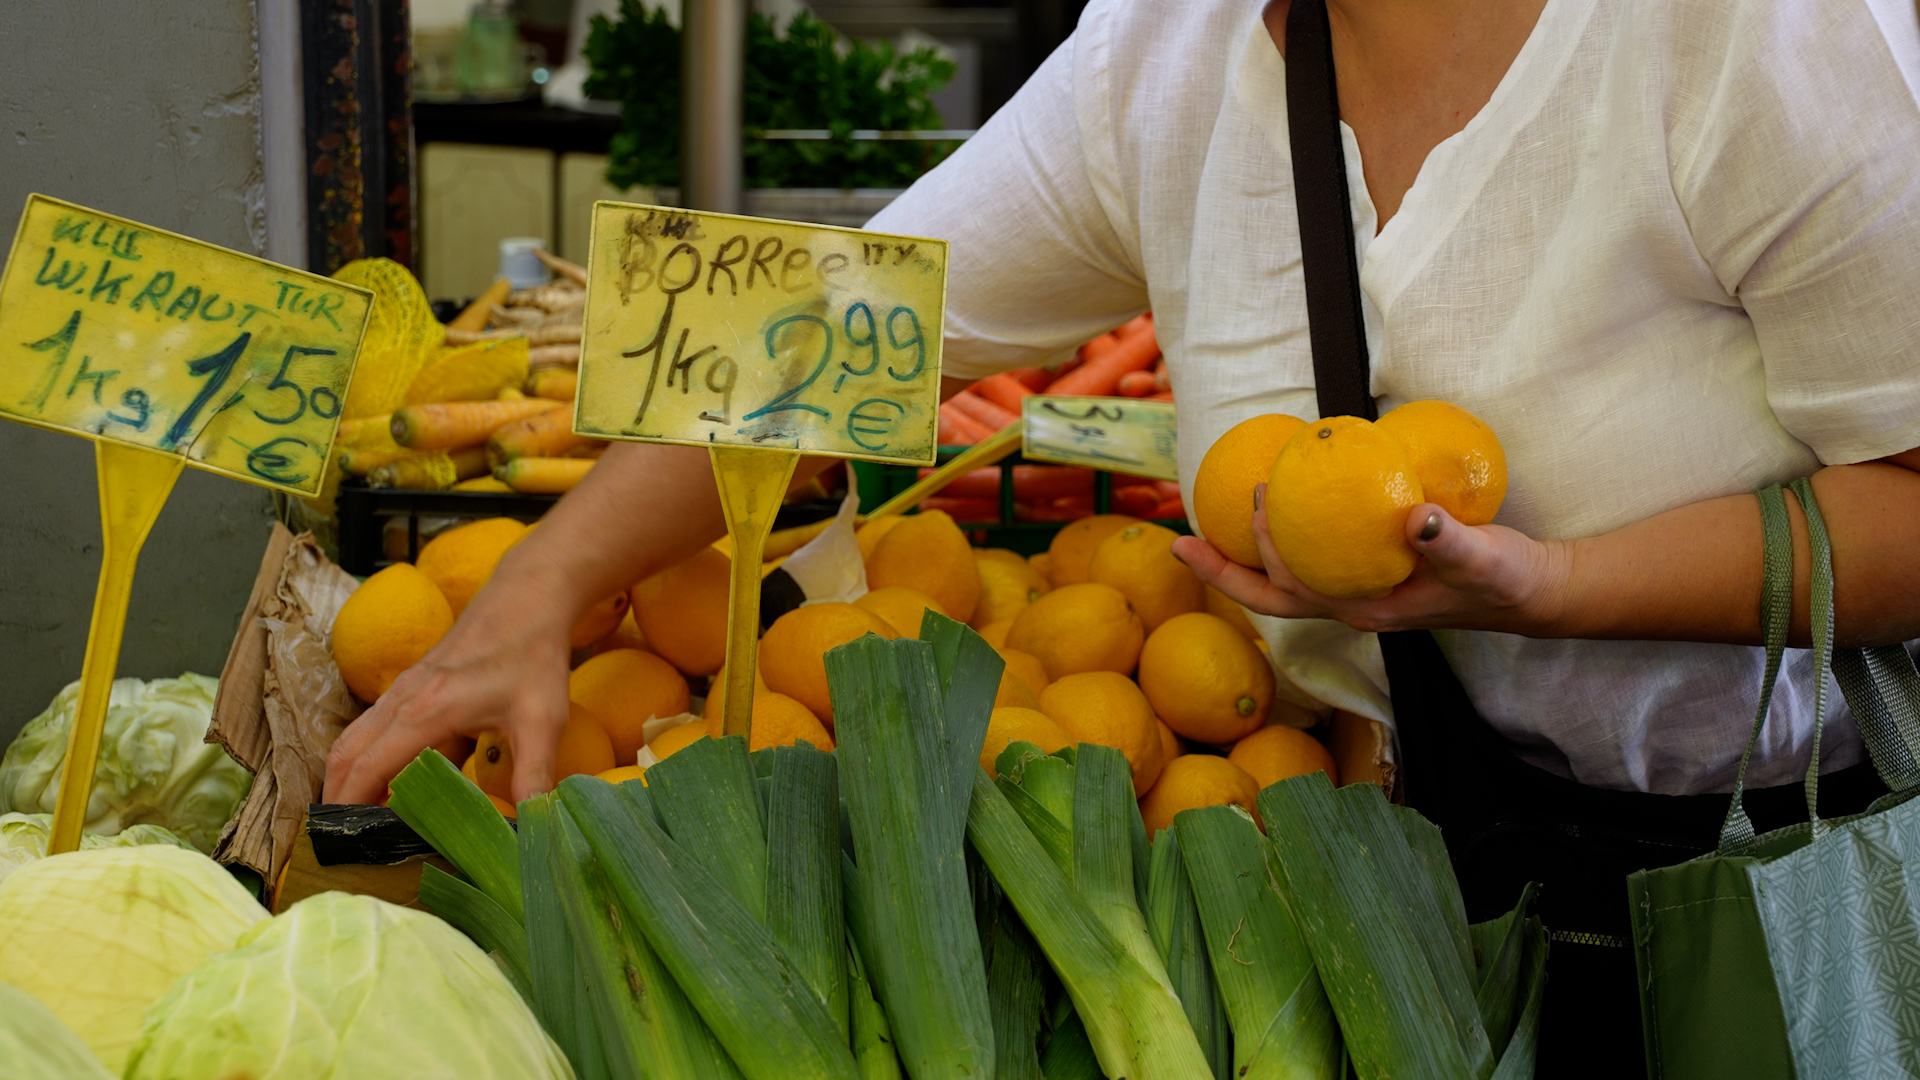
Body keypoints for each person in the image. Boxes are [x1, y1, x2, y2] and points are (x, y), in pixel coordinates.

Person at [328, 0, 1920, 1069]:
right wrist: (535, 589)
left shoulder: (1753, 39)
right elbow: (826, 328)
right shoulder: (1169, 53)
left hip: (1797, 858)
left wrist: (1549, 588)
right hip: (1416, 876)